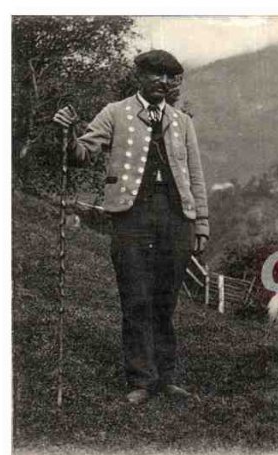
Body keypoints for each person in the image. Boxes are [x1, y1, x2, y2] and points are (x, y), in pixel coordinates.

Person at [53, 50, 209, 403]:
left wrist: (201, 224)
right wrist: (67, 132)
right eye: (157, 75)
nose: (164, 83)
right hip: (131, 218)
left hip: (175, 219)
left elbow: (196, 176)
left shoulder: (182, 121)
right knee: (136, 298)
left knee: (166, 301)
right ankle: (140, 380)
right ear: (139, 76)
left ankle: (166, 378)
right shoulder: (115, 113)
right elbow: (81, 154)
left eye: (171, 78)